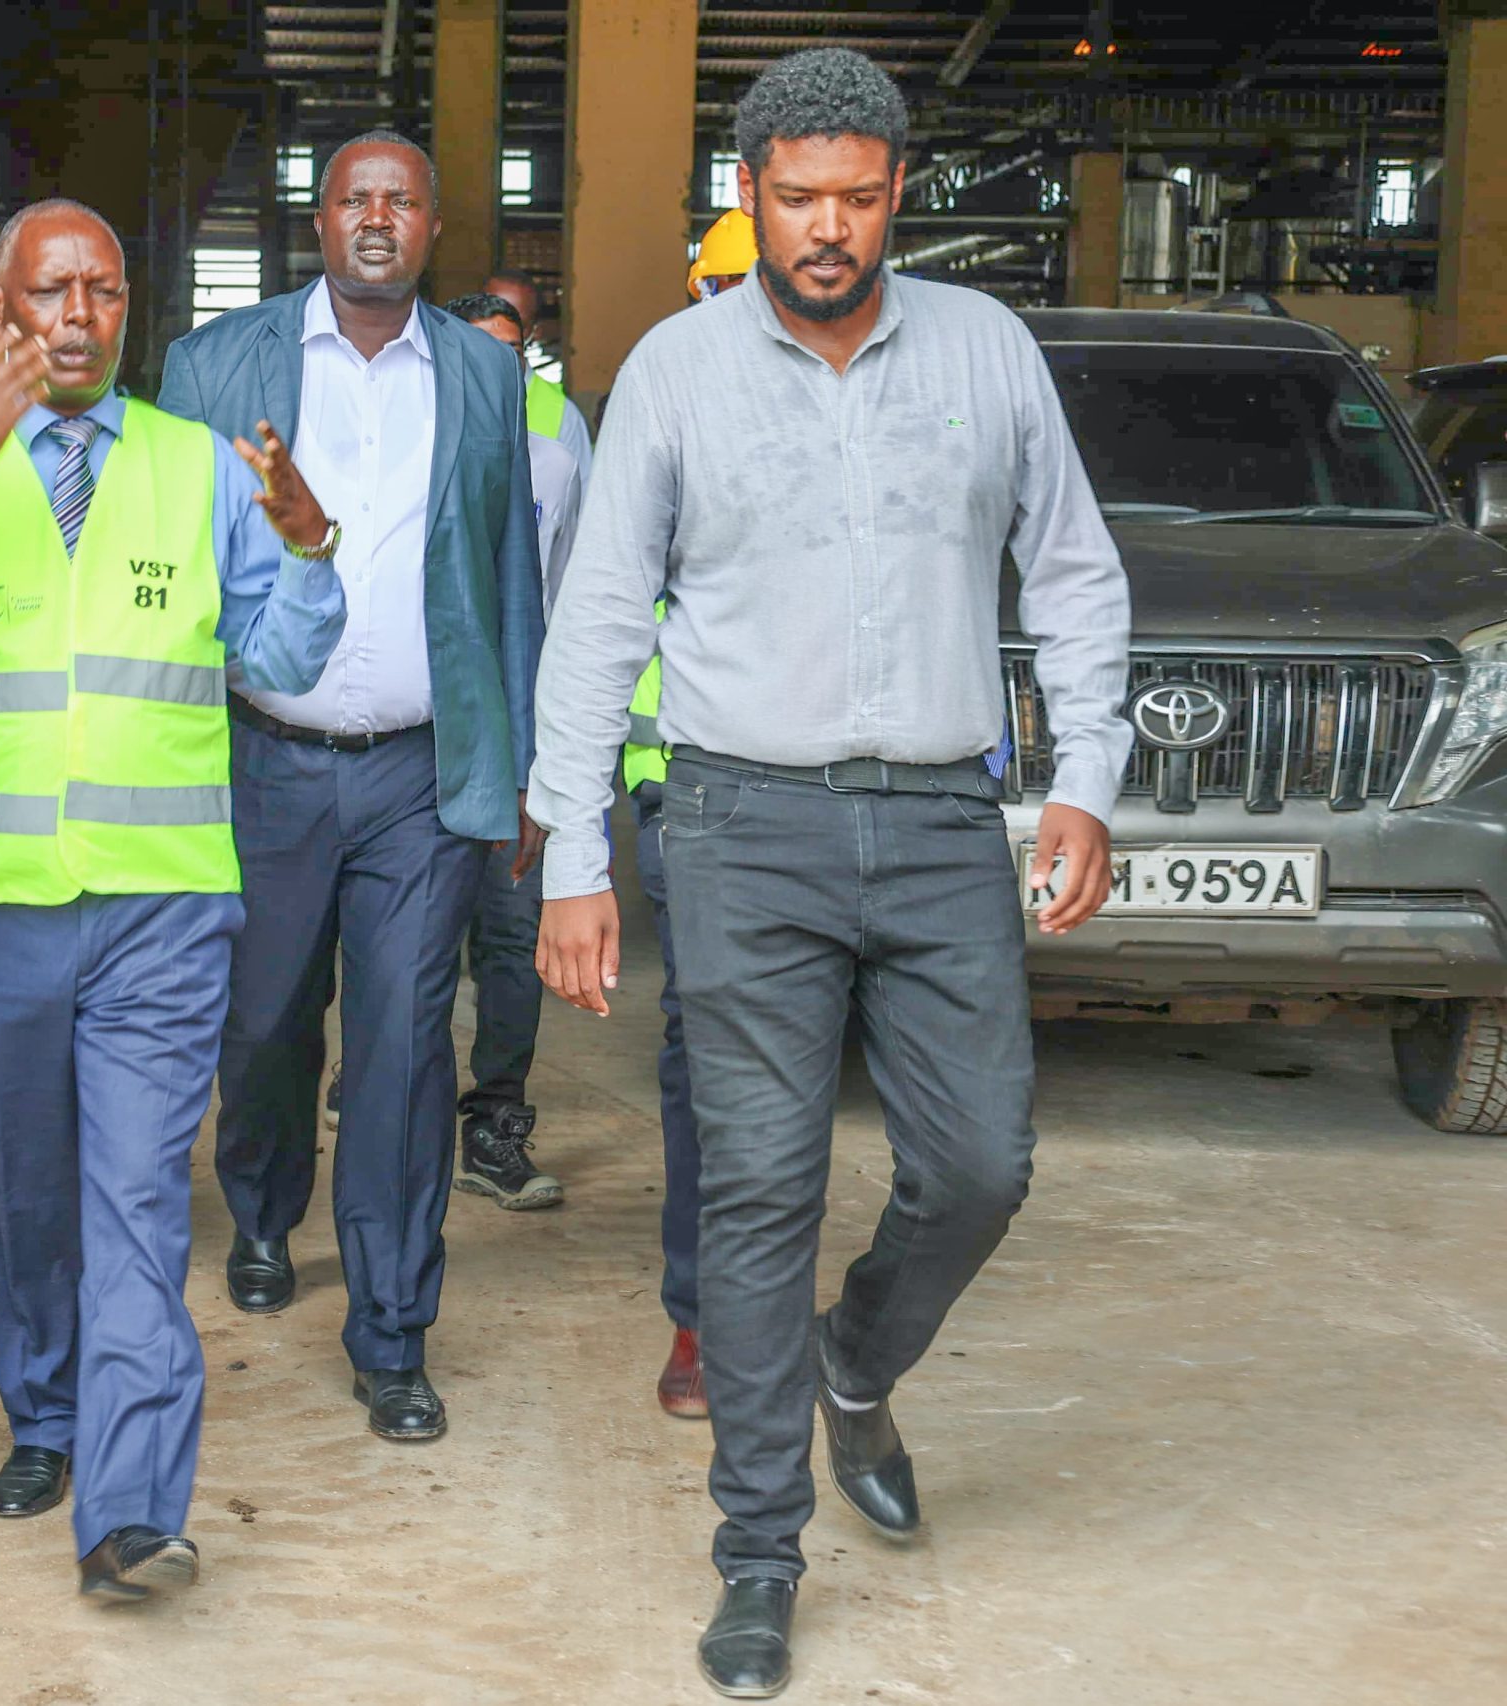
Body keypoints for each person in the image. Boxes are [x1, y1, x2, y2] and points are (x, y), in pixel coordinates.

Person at [528, 49, 1130, 1697]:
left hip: (938, 824)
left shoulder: (986, 350)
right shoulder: (675, 373)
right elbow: (598, 622)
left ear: (897, 194)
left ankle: (855, 1363)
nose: (828, 228)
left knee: (983, 1162)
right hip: (743, 829)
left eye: (858, 197)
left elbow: (1074, 572)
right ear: (750, 195)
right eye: (798, 198)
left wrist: (1086, 781)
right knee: (759, 1189)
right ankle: (758, 1556)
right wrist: (573, 852)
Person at [0, 197, 347, 1597]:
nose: (78, 315)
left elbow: (285, 661)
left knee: (134, 1198)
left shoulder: (197, 466)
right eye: (50, 289)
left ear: (131, 308)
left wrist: (312, 549)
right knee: (22, 1193)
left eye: (104, 290)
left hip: (162, 907)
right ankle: (47, 1410)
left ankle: (128, 1505)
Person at [161, 130, 543, 1442]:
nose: (377, 218)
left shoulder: (485, 374)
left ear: (432, 224)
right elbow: (178, 574)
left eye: (402, 200)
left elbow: (508, 571)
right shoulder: (218, 366)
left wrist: (524, 766)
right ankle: (265, 1209)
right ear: (319, 219)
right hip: (265, 759)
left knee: (403, 1047)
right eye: (354, 199)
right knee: (266, 1021)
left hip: (421, 776)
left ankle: (391, 1328)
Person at [619, 202, 761, 1423]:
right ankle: (707, 1316)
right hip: (691, 789)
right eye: (732, 290)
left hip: (840, 784)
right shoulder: (662, 414)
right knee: (712, 1051)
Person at [435, 290, 580, 1210]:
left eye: (511, 358)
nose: (498, 373)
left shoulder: (555, 466)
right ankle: (388, 1105)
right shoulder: (403, 457)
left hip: (518, 744)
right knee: (400, 942)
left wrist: (550, 758)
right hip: (416, 744)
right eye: (479, 355)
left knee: (511, 937)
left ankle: (495, 1126)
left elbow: (568, 606)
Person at [482, 266, 593, 488]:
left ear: (535, 331)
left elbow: (580, 500)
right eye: (487, 313)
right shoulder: (441, 391)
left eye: (514, 321)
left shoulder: (563, 415)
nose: (498, 329)